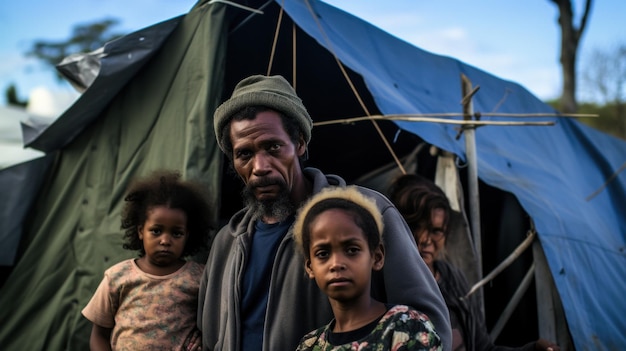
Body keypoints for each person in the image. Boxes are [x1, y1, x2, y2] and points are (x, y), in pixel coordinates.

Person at [197, 74, 452, 351]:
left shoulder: (366, 213)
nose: (260, 166)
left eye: (273, 147)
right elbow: (209, 337)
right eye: (244, 154)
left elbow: (429, 328)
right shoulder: (227, 243)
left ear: (300, 143)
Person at [388, 173, 560, 351]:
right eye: (416, 226)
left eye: (436, 231)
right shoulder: (384, 286)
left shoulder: (452, 279)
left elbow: (482, 348)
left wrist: (531, 350)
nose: (425, 239)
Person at [292, 186, 442, 351]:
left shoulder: (406, 328)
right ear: (310, 267)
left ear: (377, 257)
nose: (336, 263)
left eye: (352, 250)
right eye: (323, 254)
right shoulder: (309, 345)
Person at [82, 170, 213, 351]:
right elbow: (99, 335)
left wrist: (202, 337)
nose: (165, 241)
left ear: (187, 236)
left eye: (176, 233)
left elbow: (215, 324)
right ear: (140, 231)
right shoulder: (117, 277)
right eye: (156, 231)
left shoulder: (199, 277)